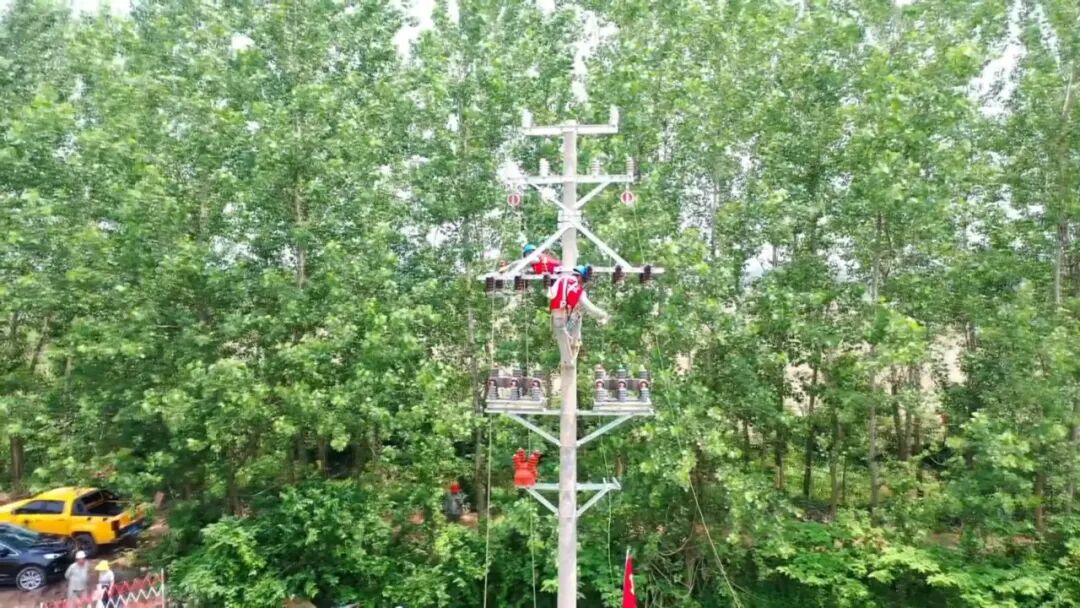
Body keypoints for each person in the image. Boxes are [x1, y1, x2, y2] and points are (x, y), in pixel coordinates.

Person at [549, 265, 609, 362]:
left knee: (574, 317)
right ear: (581, 277)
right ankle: (572, 349)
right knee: (577, 315)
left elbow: (550, 294)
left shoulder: (560, 281)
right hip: (565, 319)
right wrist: (602, 315)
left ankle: (570, 350)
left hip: (557, 317)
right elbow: (589, 307)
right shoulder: (577, 289)